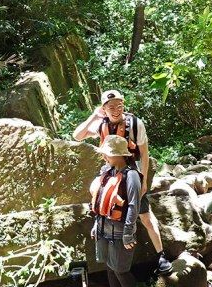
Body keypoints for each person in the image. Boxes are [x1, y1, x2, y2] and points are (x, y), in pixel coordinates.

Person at [73, 89, 172, 275]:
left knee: (144, 215)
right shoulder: (101, 125)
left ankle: (161, 256)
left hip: (131, 171)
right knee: (107, 206)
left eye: (119, 106)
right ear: (104, 108)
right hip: (110, 172)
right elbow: (77, 135)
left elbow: (144, 153)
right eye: (111, 107)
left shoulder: (134, 124)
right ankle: (112, 260)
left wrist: (142, 180)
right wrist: (94, 115)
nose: (116, 110)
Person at [90, 135, 142, 287]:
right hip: (103, 228)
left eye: (108, 154)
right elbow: (100, 201)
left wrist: (128, 233)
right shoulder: (107, 172)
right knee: (110, 268)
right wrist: (96, 225)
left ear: (121, 155)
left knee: (121, 270)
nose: (104, 157)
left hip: (120, 232)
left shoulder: (131, 175)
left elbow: (134, 206)